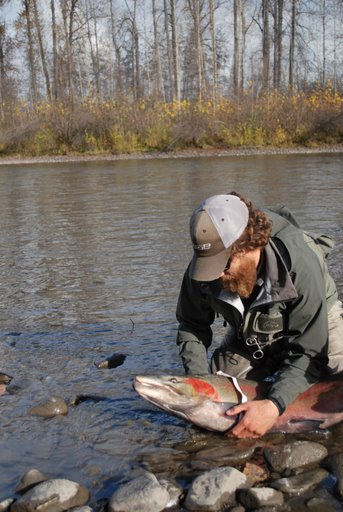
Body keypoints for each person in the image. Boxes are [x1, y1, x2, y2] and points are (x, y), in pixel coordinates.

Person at [176, 192, 343, 438]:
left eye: (224, 265)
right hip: (251, 331)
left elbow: (309, 352)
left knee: (334, 387)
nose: (217, 276)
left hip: (316, 325)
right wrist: (199, 383)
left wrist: (273, 405)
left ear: (250, 245)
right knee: (221, 388)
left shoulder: (300, 262)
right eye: (209, 266)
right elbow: (192, 326)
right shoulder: (204, 269)